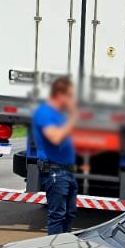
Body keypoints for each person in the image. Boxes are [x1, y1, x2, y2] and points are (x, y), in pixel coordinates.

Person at [31, 76, 78, 235]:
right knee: (57, 215)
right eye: (70, 95)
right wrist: (73, 117)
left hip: (67, 171)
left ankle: (64, 246)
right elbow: (55, 138)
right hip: (55, 171)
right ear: (60, 95)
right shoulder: (44, 113)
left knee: (69, 213)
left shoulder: (59, 114)